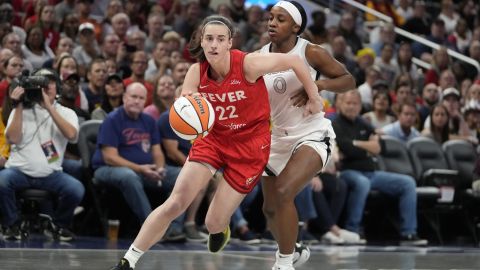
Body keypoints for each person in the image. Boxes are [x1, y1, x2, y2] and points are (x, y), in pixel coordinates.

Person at [110, 14, 323, 270]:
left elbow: (294, 61)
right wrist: (186, 105)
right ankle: (128, 261)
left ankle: (220, 230)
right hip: (212, 140)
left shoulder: (249, 64)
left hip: (250, 146)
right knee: (176, 201)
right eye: (209, 38)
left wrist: (314, 96)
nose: (213, 45)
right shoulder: (195, 72)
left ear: (229, 43)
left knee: (213, 223)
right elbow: (185, 106)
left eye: (220, 39)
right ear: (201, 41)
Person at [258, 2, 356, 269]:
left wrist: (319, 84)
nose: (272, 23)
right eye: (271, 18)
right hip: (276, 137)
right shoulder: (259, 56)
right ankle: (294, 249)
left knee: (283, 191)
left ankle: (285, 262)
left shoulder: (311, 52)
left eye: (280, 19)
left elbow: (349, 80)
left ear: (296, 26)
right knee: (269, 209)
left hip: (311, 133)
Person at [333, 90, 427, 246]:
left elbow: (382, 147)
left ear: (360, 106)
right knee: (362, 183)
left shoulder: (363, 122)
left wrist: (357, 144)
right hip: (347, 171)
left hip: (371, 172)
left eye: (355, 103)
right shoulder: (336, 124)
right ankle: (352, 229)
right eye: (348, 103)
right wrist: (368, 145)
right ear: (340, 104)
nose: (351, 107)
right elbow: (347, 148)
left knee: (408, 183)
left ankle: (409, 233)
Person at [0, 68, 84, 241]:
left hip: (51, 173)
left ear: (57, 88)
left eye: (50, 82)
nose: (45, 86)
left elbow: (72, 136)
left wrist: (48, 107)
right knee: (1, 182)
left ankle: (57, 225)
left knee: (76, 189)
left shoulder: (67, 113)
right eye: (40, 82)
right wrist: (18, 105)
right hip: (18, 171)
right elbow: (13, 139)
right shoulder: (21, 110)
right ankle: (12, 224)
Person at [92, 82, 181, 227]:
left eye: (141, 98)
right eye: (133, 96)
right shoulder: (112, 120)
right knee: (128, 176)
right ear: (124, 97)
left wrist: (159, 168)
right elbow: (110, 157)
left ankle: (174, 228)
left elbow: (157, 151)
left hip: (145, 170)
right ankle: (151, 226)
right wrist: (140, 169)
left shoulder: (149, 121)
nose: (137, 101)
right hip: (106, 169)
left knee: (182, 175)